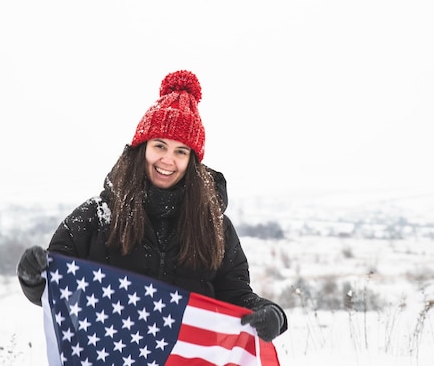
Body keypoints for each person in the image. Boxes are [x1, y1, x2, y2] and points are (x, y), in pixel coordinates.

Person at [17, 70, 287, 342]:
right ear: (142, 147)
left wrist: (270, 313)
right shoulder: (97, 216)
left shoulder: (214, 227)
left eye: (180, 151)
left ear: (192, 161)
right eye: (160, 146)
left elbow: (235, 294)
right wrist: (32, 277)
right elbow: (56, 284)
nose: (168, 160)